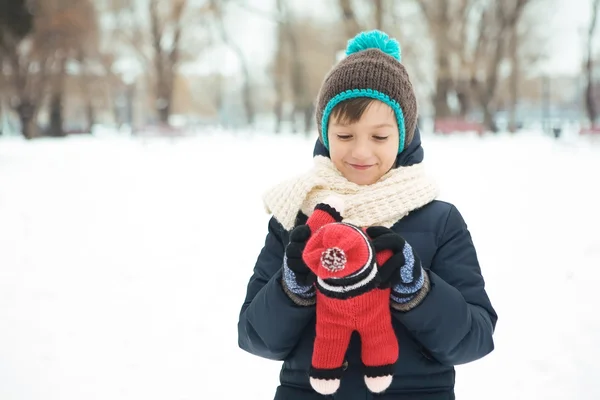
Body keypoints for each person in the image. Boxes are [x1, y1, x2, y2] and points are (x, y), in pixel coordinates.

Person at [237, 30, 497, 400]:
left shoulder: (441, 222)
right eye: (345, 136)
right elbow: (255, 338)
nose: (361, 152)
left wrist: (417, 289)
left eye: (379, 137)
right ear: (326, 134)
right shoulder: (295, 217)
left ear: (403, 136)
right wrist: (291, 287)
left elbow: (475, 339)